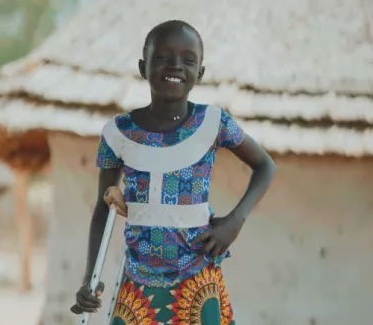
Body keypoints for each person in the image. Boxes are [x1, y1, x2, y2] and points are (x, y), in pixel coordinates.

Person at [73, 20, 277, 324]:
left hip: (197, 279)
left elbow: (265, 166)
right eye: (163, 57)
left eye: (188, 60)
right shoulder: (118, 132)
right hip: (138, 284)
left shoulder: (214, 122)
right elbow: (104, 210)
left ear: (201, 73)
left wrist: (235, 220)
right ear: (144, 67)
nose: (176, 66)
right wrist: (90, 276)